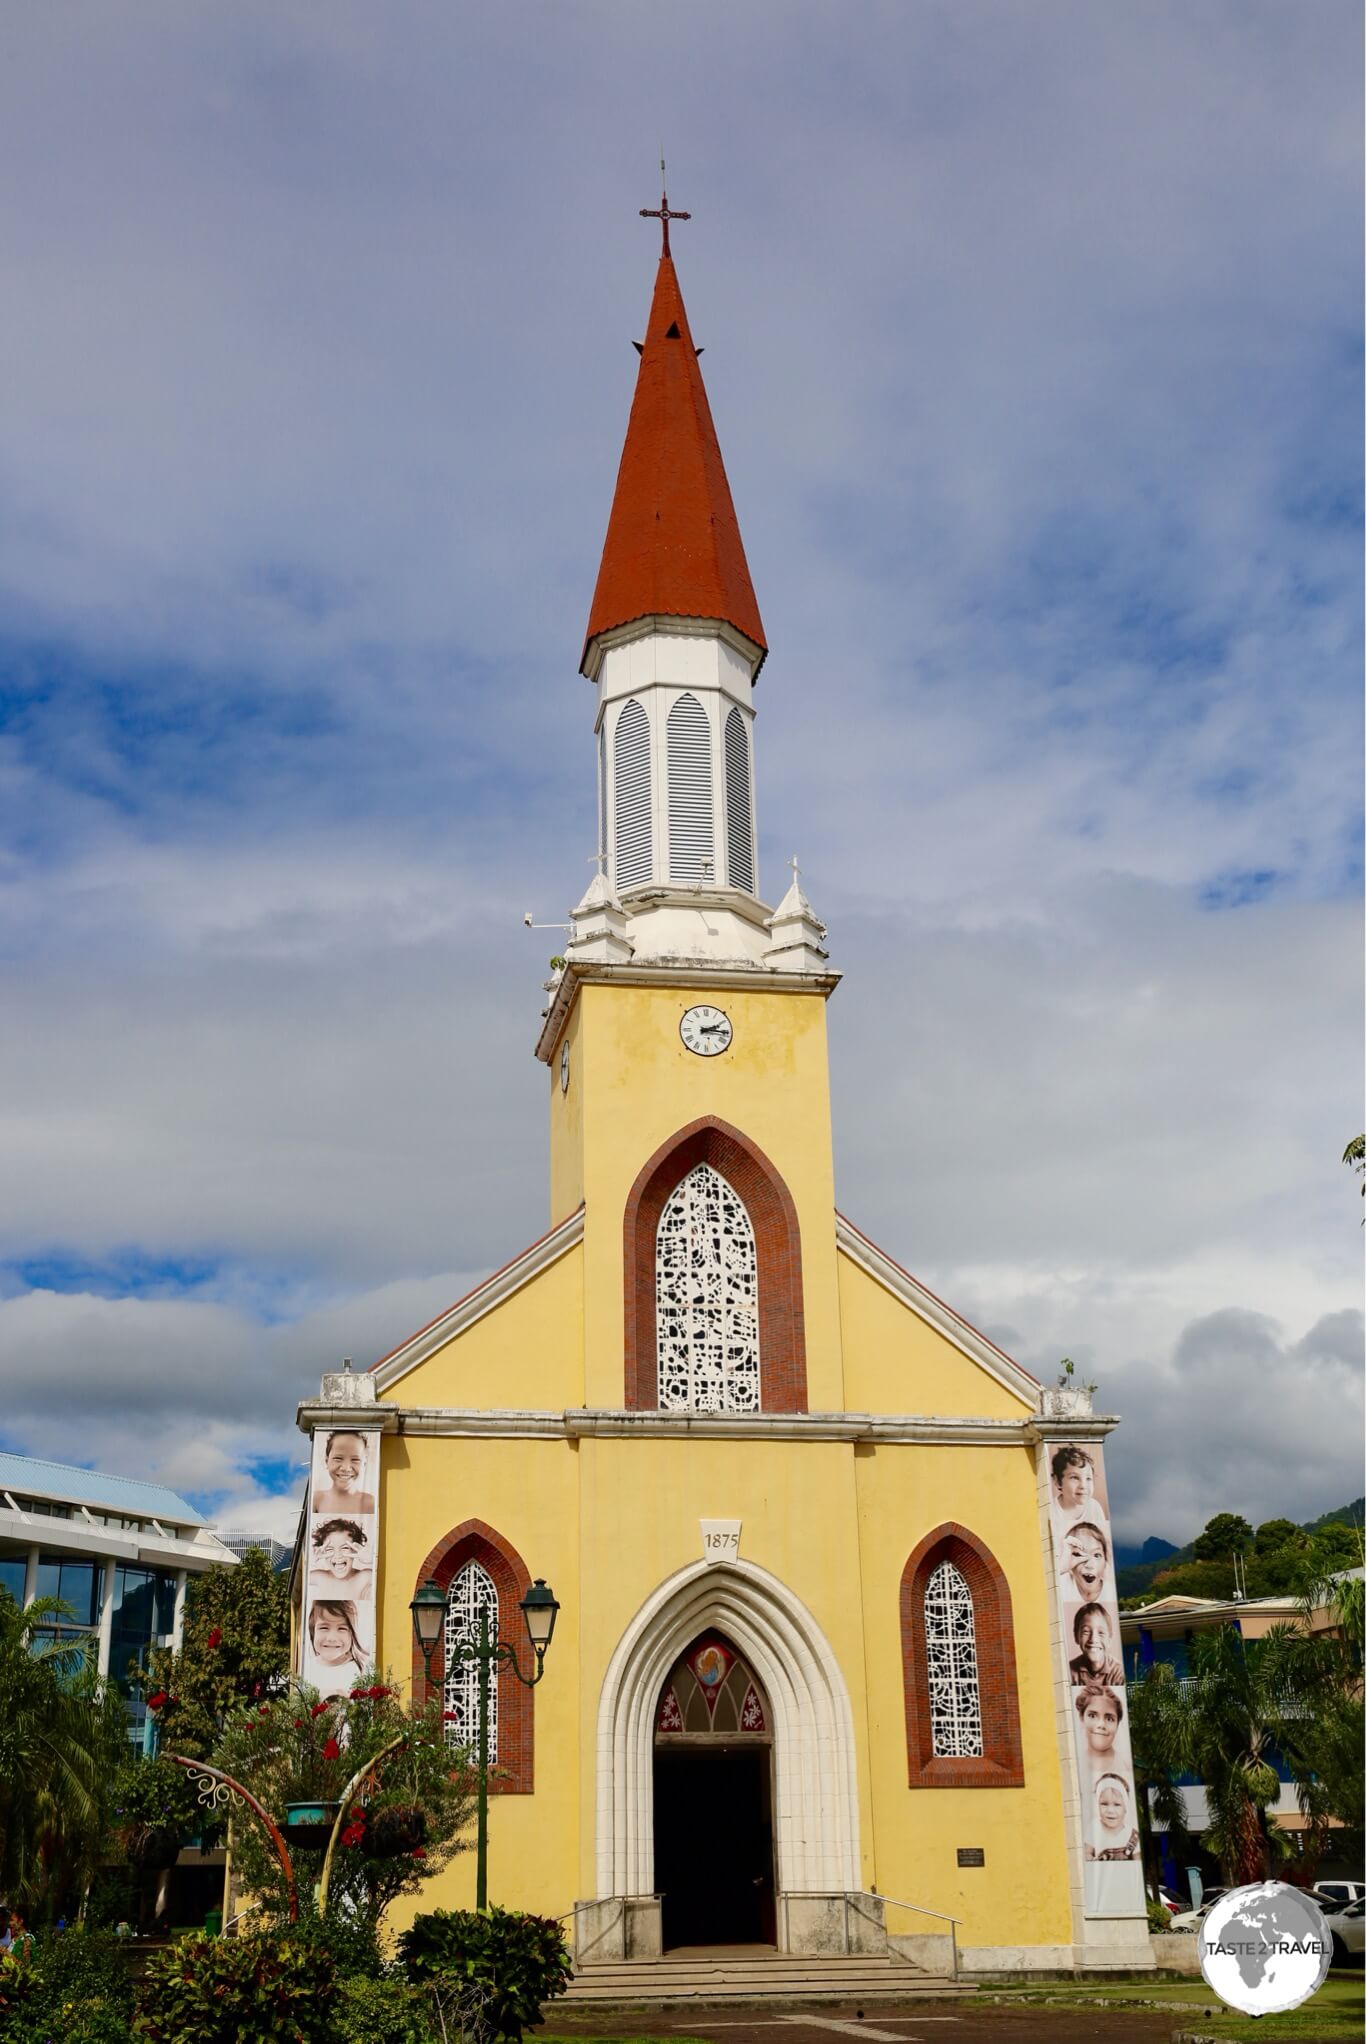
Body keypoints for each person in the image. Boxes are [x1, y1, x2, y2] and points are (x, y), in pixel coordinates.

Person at [311, 1432, 375, 1515]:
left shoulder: (370, 1503)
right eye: (338, 1458)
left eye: (355, 1460)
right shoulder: (317, 1499)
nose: (346, 1468)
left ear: (364, 1464)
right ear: (326, 1461)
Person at [310, 1518, 373, 1597]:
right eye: (329, 1549)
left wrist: (372, 1560)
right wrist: (309, 1561)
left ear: (355, 1550)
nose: (337, 1555)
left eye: (345, 1548)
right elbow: (299, 1582)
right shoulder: (319, 1577)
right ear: (322, 1553)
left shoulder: (365, 1576)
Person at [1086, 1773, 1139, 1861]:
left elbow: (1137, 1860)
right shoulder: (1094, 1827)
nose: (1110, 1810)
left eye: (1117, 1805)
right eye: (1104, 1804)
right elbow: (1086, 1853)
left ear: (1125, 1807)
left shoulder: (1132, 1835)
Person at [307, 1599, 367, 1676]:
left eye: (342, 1628)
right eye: (324, 1628)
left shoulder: (359, 1671)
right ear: (313, 1631)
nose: (332, 1638)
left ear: (352, 1634)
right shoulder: (308, 1668)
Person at [1068, 1603, 1124, 1686]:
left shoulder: (1118, 1672)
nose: (1093, 1639)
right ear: (1076, 1636)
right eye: (1086, 1631)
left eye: (1101, 1633)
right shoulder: (1069, 1671)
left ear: (1109, 1639)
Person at [1074, 1681, 1124, 1772]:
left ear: (1118, 1723)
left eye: (1109, 1719)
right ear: (1082, 1718)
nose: (1101, 1725)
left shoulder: (1126, 1767)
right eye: (1092, 1716)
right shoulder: (1074, 1767)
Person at [1050, 1445, 1106, 1526]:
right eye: (1074, 1477)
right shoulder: (1051, 1510)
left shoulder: (1094, 1508)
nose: (1083, 1486)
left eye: (1088, 1478)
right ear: (1057, 1481)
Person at [1058, 1520, 1110, 1604]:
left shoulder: (1110, 1593)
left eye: (1096, 1555)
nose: (1089, 1565)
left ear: (1105, 1561)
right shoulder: (1061, 1588)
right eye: (1079, 1554)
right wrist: (1061, 1568)